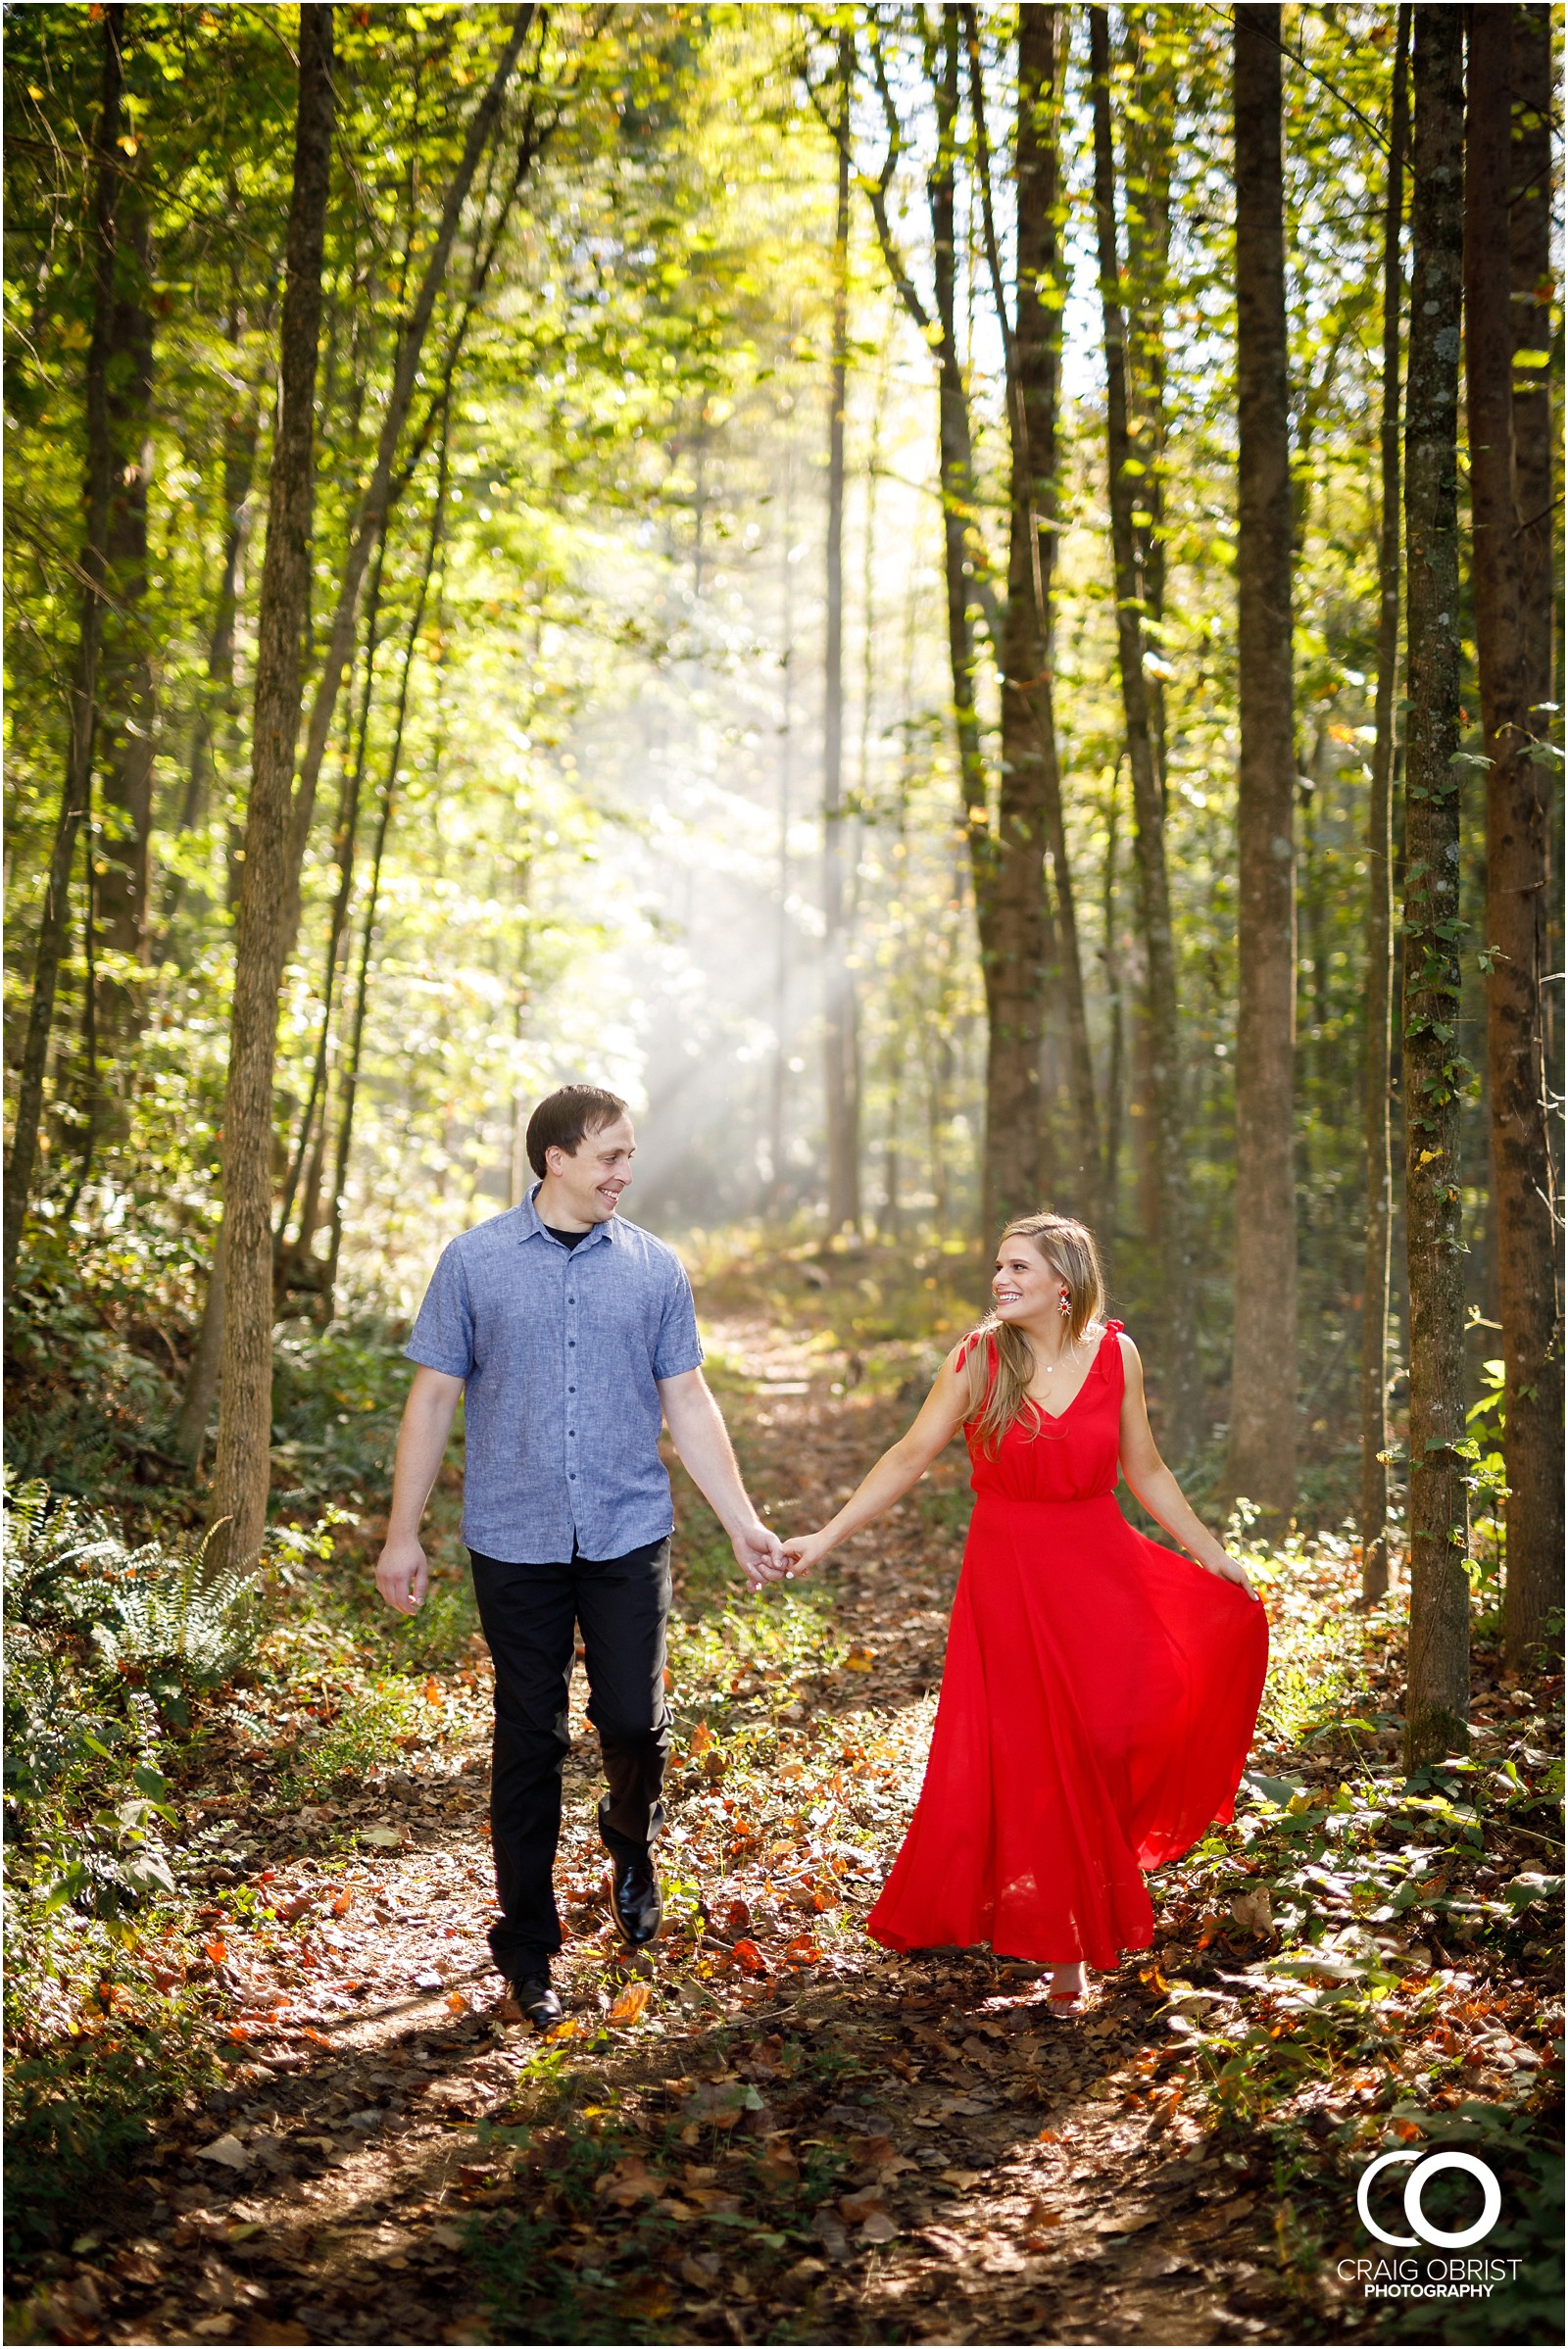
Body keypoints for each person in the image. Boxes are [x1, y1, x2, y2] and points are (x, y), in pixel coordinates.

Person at [374, 1084, 786, 2030]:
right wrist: (404, 1530)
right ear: (555, 1157)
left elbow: (688, 1400)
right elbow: (433, 1399)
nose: (624, 1172)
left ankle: (630, 1840)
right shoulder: (474, 1262)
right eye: (609, 1155)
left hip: (625, 1530)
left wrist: (740, 1519)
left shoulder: (653, 1268)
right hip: (512, 1539)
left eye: (629, 1155)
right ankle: (527, 1948)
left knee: (633, 1723)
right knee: (530, 1741)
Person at [782, 1211, 1268, 2007]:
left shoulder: (1118, 1353)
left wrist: (1210, 1551)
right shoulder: (980, 1358)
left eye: (1019, 1268)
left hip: (1100, 1568)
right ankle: (1066, 1949)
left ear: (1063, 1282)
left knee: (1113, 1733)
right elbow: (909, 1453)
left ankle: (1082, 1904)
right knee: (1039, 1753)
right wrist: (828, 1534)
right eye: (999, 1267)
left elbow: (1143, 1466)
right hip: (1008, 1576)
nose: (1001, 1279)